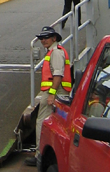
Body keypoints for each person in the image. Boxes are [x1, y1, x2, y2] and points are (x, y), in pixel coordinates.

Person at [26, 26, 72, 167]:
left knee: (42, 121)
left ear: (54, 38)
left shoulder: (56, 53)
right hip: (57, 91)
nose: (43, 40)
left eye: (46, 38)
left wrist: (51, 94)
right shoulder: (54, 51)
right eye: (41, 38)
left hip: (54, 92)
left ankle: (40, 155)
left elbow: (58, 75)